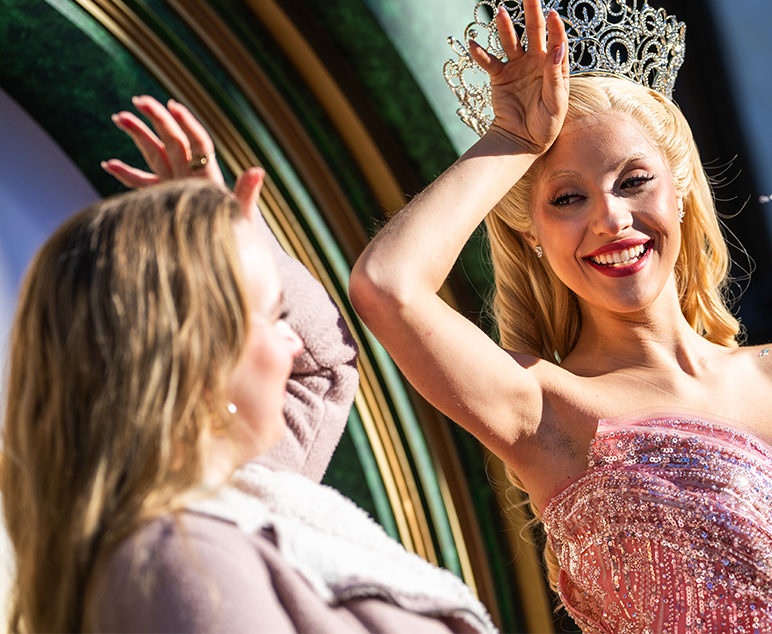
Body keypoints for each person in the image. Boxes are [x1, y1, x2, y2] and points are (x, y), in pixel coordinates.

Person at [348, 0, 772, 633]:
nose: (611, 219)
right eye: (568, 197)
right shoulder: (550, 412)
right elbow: (386, 286)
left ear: (681, 186)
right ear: (533, 231)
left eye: (634, 181)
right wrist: (511, 140)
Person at [1, 97, 495, 633]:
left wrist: (232, 238)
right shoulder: (179, 558)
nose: (292, 342)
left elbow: (323, 367)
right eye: (272, 314)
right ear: (200, 352)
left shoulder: (220, 501)